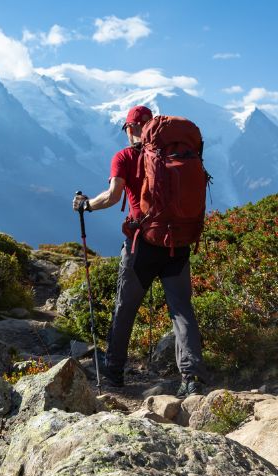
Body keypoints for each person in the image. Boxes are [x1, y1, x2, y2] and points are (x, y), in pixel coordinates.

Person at [72, 105, 207, 397]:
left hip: (142, 245)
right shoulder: (178, 152)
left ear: (131, 128)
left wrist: (86, 205)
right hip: (178, 243)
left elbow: (112, 196)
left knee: (125, 308)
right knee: (181, 310)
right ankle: (192, 378)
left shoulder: (125, 156)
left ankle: (114, 374)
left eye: (127, 128)